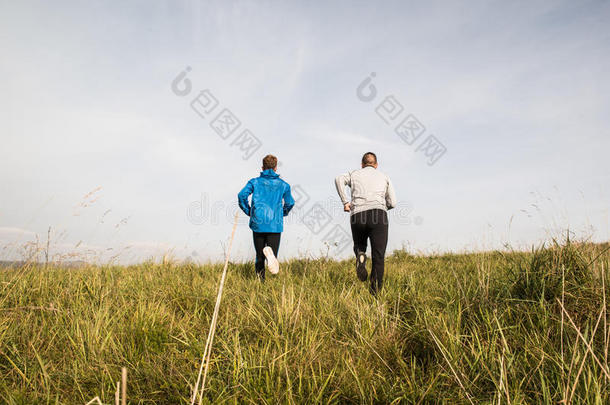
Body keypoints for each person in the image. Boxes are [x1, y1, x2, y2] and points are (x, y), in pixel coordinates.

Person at [334, 152, 397, 295]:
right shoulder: (384, 176)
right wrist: (382, 207)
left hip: (358, 214)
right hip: (378, 214)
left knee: (359, 245)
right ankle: (374, 294)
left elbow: (338, 179)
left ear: (362, 164)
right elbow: (393, 202)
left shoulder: (355, 174)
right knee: (378, 256)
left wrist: (345, 201)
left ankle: (360, 256)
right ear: (376, 165)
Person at [238, 154, 295, 281]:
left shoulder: (254, 182)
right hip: (275, 224)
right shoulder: (283, 185)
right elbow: (290, 202)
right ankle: (272, 270)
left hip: (258, 222)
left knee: (259, 256)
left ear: (262, 167)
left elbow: (242, 195)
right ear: (275, 168)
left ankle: (260, 282)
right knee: (272, 256)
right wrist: (283, 213)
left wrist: (249, 211)